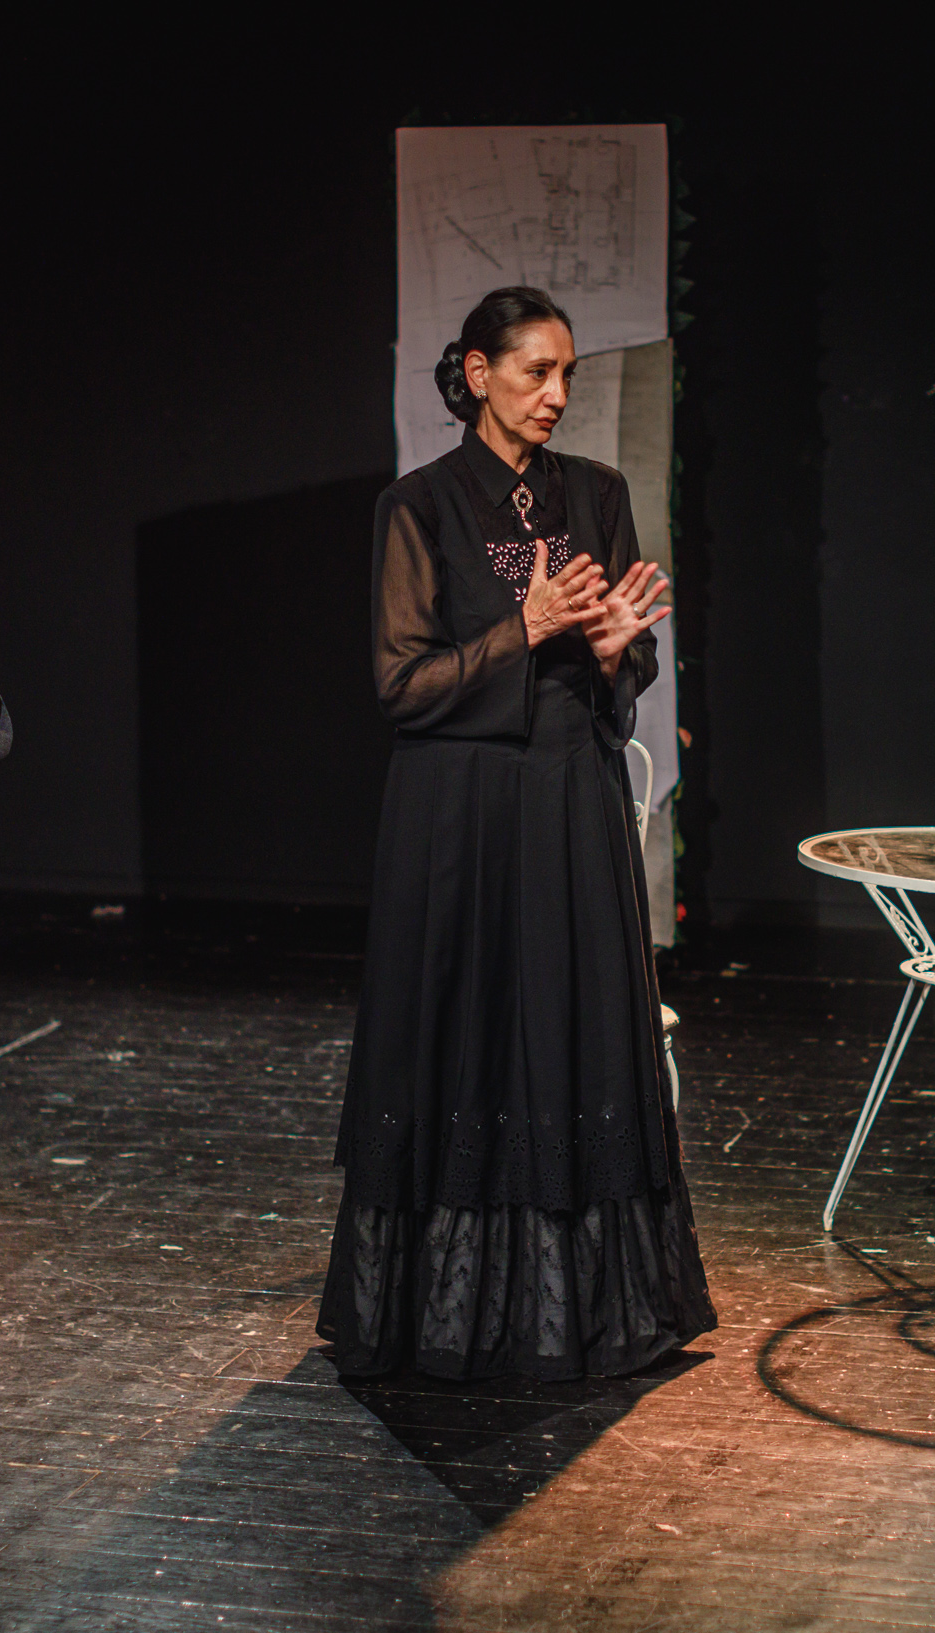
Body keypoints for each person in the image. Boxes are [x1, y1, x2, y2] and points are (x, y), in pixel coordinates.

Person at [319, 286, 717, 1379]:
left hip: (570, 801)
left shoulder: (595, 493)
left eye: (566, 375)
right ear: (477, 371)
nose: (555, 394)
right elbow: (402, 685)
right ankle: (443, 1316)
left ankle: (594, 1308)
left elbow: (624, 660)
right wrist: (524, 626)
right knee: (468, 1031)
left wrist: (618, 649)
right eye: (536, 371)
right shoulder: (419, 506)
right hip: (460, 816)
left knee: (572, 1029)